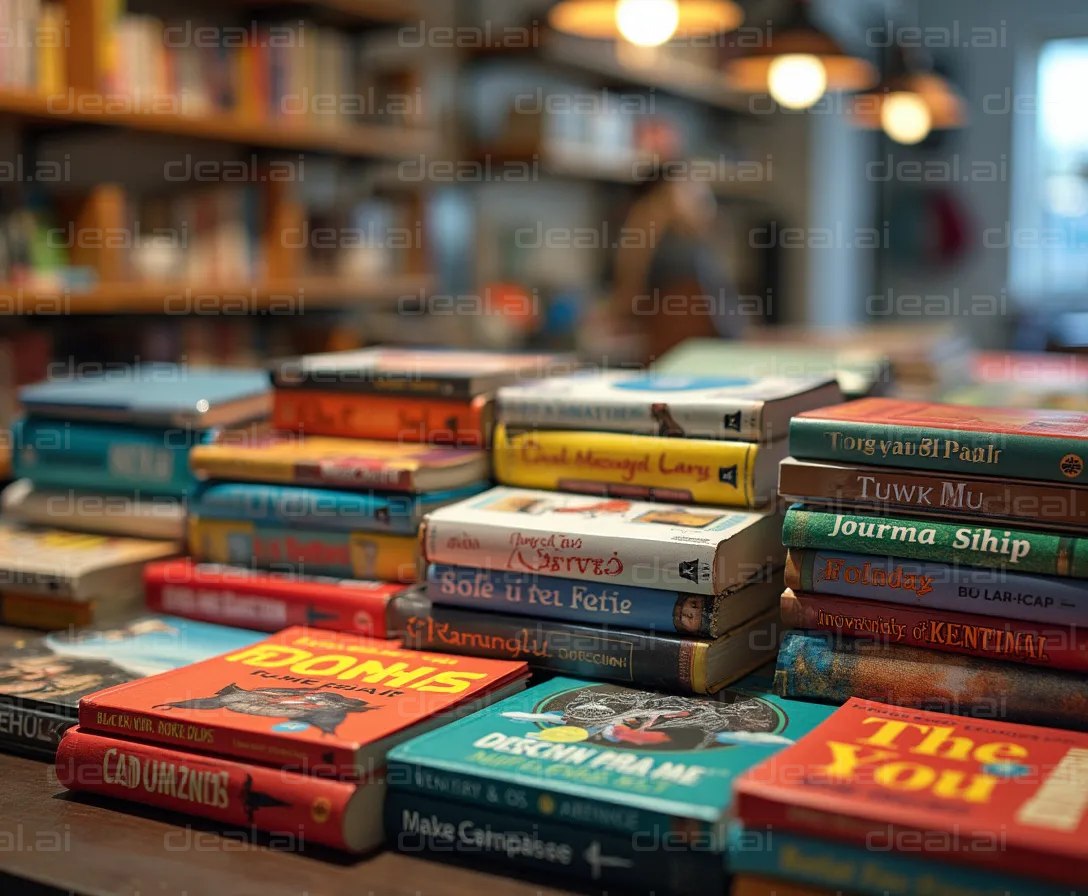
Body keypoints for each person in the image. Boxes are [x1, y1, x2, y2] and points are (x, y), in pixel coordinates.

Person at [611, 166, 747, 361]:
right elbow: (730, 327)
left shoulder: (645, 239)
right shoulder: (694, 253)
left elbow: (627, 302)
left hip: (670, 358)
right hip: (714, 354)